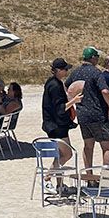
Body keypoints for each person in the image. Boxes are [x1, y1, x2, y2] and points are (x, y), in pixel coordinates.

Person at [65, 46, 109, 170]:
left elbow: (67, 87)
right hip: (98, 114)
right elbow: (105, 91)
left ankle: (89, 178)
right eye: (97, 57)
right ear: (93, 58)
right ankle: (107, 178)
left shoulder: (76, 72)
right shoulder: (96, 72)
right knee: (107, 147)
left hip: (82, 115)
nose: (98, 60)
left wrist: (73, 100)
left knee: (88, 147)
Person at [41, 58, 81, 195]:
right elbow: (60, 108)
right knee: (67, 154)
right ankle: (46, 178)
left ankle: (59, 185)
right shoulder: (55, 86)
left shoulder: (53, 82)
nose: (67, 71)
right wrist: (74, 101)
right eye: (65, 69)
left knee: (60, 154)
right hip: (56, 126)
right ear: (58, 70)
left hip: (55, 125)